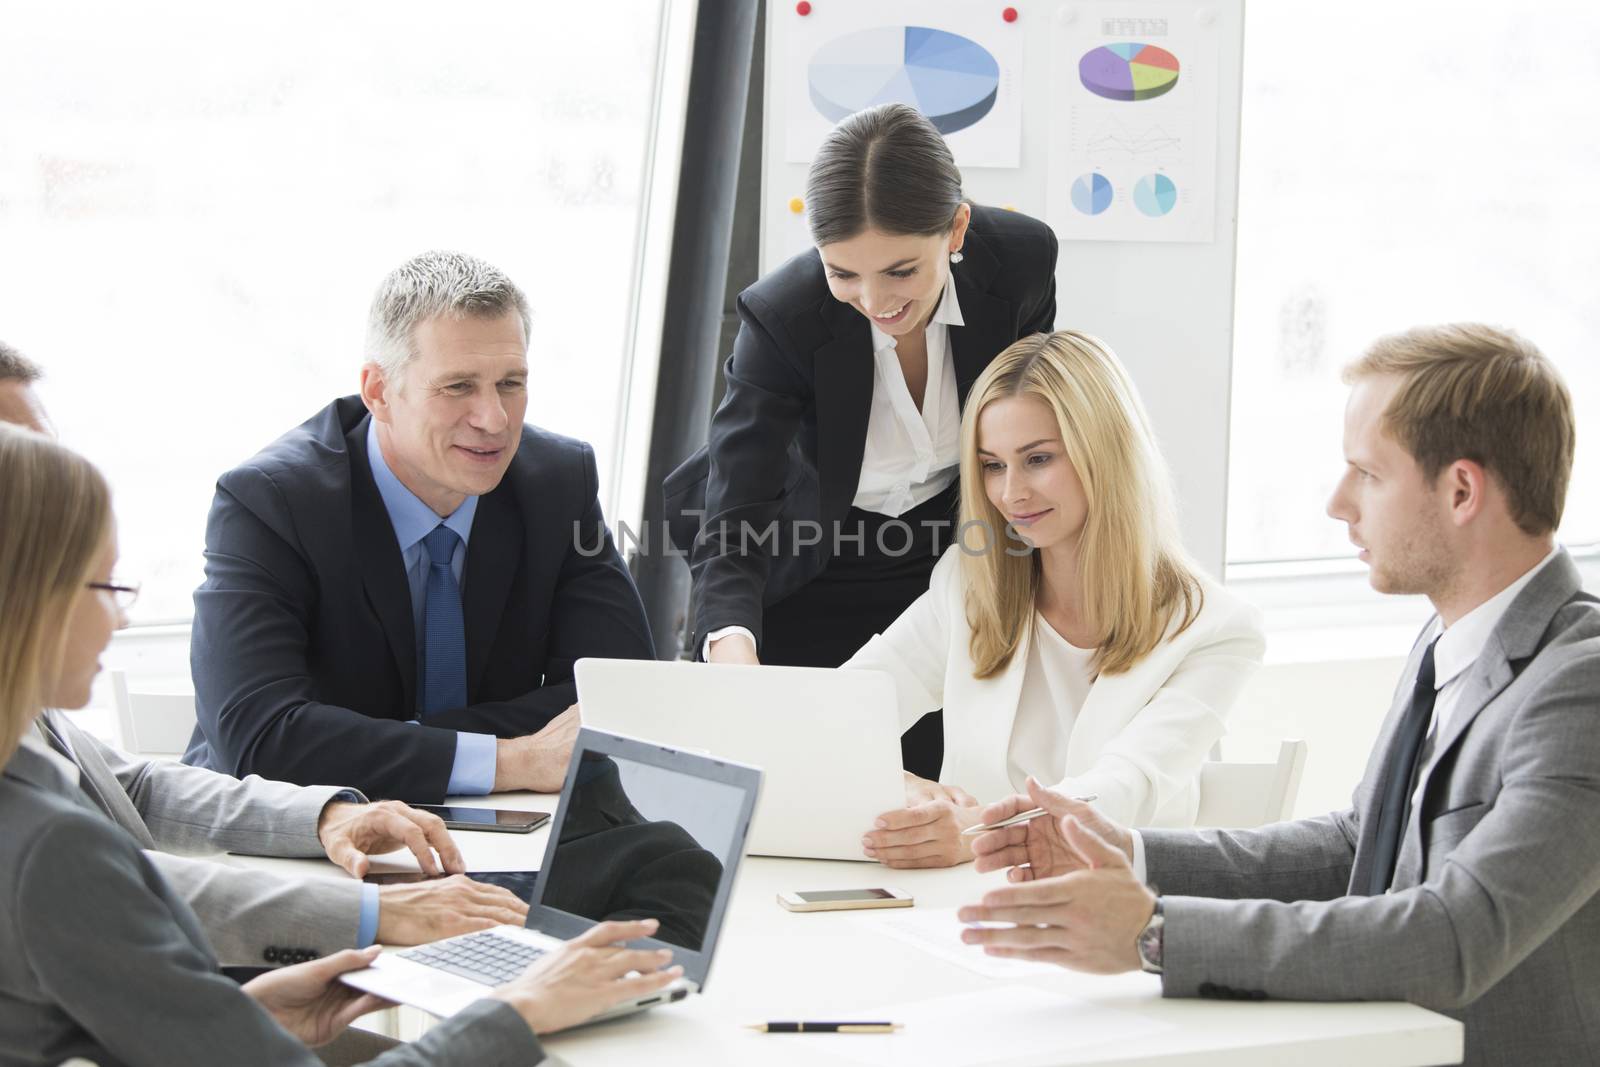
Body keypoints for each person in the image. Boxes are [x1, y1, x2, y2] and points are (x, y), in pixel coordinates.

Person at [959, 325, 1599, 1066]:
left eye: (1367, 473)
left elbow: (1450, 935)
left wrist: (1154, 932)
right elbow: (1361, 846)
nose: (1337, 502)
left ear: (1461, 490)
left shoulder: (1578, 685)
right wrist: (1131, 853)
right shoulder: (1447, 638)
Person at [0, 424, 682, 1066]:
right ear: (26, 597)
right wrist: (520, 1009)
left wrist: (241, 1019)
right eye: (109, 585)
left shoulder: (29, 768)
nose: (121, 618)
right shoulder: (52, 850)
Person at [0, 344, 528, 968]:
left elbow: (129, 788)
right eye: (21, 461)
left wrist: (324, 817)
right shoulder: (271, 495)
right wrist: (371, 917)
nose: (58, 488)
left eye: (51, 454)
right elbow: (92, 885)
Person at [664, 102, 1059, 779]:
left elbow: (1032, 423)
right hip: (811, 563)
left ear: (956, 226)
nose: (875, 301)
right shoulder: (784, 315)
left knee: (945, 790)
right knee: (806, 785)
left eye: (901, 271)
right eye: (843, 272)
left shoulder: (1020, 262)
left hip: (946, 557)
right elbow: (735, 514)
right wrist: (732, 651)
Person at [184, 251, 655, 802]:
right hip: (299, 835)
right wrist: (509, 760)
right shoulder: (271, 503)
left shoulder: (557, 483)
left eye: (510, 383)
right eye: (458, 387)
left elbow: (624, 698)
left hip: (502, 824)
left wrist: (371, 742)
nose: (494, 420)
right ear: (379, 392)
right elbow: (260, 737)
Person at [844, 332, 1264, 868]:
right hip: (960, 905)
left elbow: (1121, 790)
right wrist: (899, 784)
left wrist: (973, 833)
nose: (1010, 493)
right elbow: (842, 712)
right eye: (992, 465)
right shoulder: (967, 587)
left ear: (1107, 454)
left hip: (1112, 917)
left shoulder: (1217, 630)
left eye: (1037, 459)